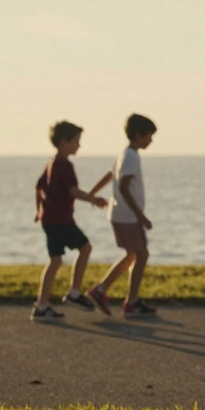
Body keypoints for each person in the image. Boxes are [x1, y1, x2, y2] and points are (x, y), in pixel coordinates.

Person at [32, 121, 109, 321]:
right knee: (85, 248)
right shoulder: (65, 165)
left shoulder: (51, 163)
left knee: (55, 260)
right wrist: (94, 199)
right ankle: (74, 293)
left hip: (49, 219)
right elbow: (73, 191)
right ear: (64, 142)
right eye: (76, 141)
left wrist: (38, 211)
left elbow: (38, 187)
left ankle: (41, 306)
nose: (79, 145)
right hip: (61, 220)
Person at [86, 114, 159, 318]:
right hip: (127, 215)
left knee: (132, 254)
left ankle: (101, 291)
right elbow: (125, 186)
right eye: (149, 136)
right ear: (138, 135)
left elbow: (111, 175)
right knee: (141, 254)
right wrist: (140, 215)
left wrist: (92, 193)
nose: (151, 140)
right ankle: (131, 302)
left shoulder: (124, 154)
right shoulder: (131, 156)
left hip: (120, 214)